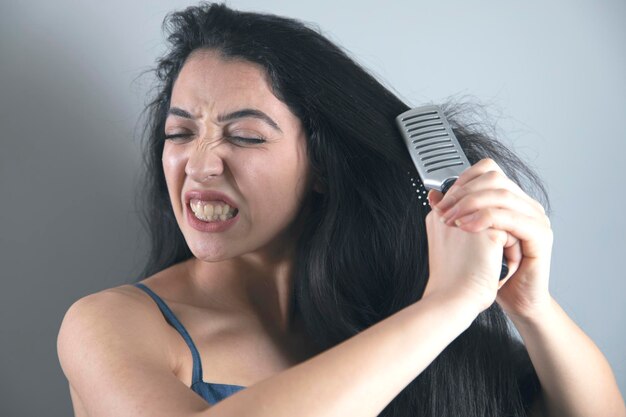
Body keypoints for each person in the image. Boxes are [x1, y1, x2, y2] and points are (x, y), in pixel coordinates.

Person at [56, 3, 625, 417]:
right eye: (180, 133)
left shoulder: (389, 313)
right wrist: (447, 307)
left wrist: (532, 306)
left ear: (324, 166)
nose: (200, 164)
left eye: (247, 138)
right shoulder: (111, 326)